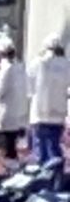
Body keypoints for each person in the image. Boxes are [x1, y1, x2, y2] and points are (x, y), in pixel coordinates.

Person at [0, 35, 29, 168]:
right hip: (16, 111)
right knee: (11, 145)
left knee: (7, 148)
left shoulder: (6, 69)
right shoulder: (19, 66)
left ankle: (11, 171)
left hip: (5, 112)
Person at [34, 38, 69, 168]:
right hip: (59, 111)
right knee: (54, 144)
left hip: (42, 110)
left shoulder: (41, 62)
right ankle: (57, 177)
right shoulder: (67, 64)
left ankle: (45, 176)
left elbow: (30, 83)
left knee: (42, 147)